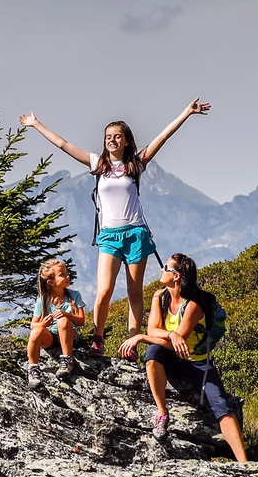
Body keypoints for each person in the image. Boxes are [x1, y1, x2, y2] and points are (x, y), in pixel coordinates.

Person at [17, 100, 212, 353]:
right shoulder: (98, 164)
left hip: (136, 234)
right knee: (105, 289)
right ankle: (98, 338)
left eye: (118, 136)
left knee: (134, 292)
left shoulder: (135, 164)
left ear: (127, 141)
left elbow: (162, 137)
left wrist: (186, 112)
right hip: (109, 235)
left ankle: (132, 341)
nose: (112, 140)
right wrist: (36, 124)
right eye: (108, 137)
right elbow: (63, 145)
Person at [121, 251, 247, 460]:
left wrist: (148, 338)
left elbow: (177, 343)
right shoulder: (159, 297)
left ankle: (244, 462)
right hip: (172, 356)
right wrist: (167, 334)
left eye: (167, 269)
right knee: (152, 354)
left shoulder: (193, 306)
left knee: (221, 406)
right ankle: (162, 413)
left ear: (177, 276)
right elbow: (154, 331)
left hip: (196, 363)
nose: (162, 271)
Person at [28, 258, 85, 386]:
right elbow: (33, 325)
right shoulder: (43, 300)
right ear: (51, 282)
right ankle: (33, 369)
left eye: (66, 272)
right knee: (37, 331)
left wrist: (66, 315)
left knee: (63, 321)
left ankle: (67, 360)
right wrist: (43, 325)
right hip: (50, 338)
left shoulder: (75, 295)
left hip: (69, 336)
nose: (67, 276)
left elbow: (81, 321)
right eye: (62, 274)